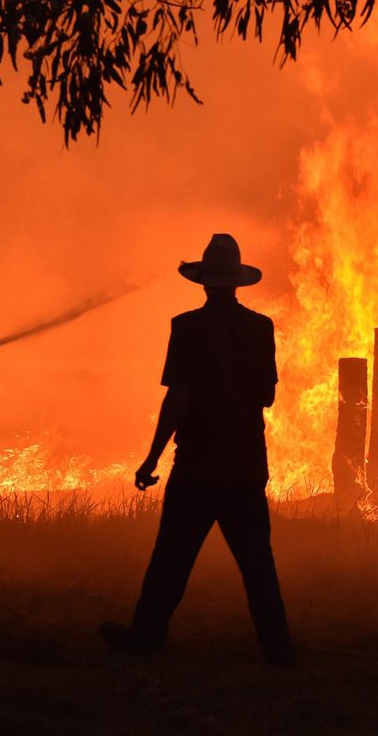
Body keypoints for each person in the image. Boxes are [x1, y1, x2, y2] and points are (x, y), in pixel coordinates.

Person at [99, 234, 293, 666]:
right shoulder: (260, 329)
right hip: (244, 464)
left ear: (204, 283)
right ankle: (279, 649)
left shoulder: (187, 328)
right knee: (257, 562)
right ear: (236, 283)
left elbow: (178, 399)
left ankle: (146, 636)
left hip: (198, 464)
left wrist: (152, 458)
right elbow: (266, 396)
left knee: (171, 556)